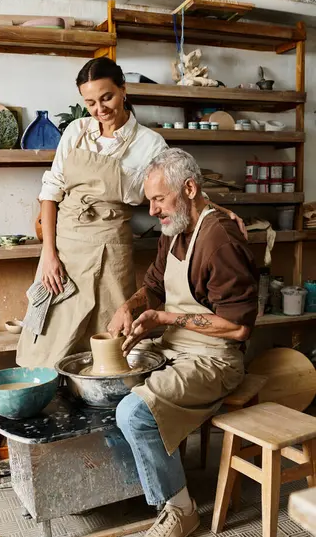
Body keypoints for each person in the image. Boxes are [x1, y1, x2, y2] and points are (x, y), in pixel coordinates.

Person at [17, 57, 246, 368]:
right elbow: (51, 191)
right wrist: (48, 254)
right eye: (90, 102)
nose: (99, 109)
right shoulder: (75, 131)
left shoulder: (149, 144)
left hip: (112, 247)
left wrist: (219, 210)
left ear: (123, 89)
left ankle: (100, 403)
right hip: (66, 247)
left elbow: (181, 184)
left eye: (107, 97)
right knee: (50, 338)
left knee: (109, 338)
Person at [108, 148, 258, 537]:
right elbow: (154, 286)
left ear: (189, 188)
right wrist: (130, 308)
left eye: (159, 199)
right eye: (150, 200)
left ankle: (180, 509)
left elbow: (239, 327)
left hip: (216, 358)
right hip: (175, 345)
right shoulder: (176, 227)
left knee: (133, 413)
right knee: (109, 382)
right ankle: (146, 484)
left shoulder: (220, 239)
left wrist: (164, 319)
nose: (152, 209)